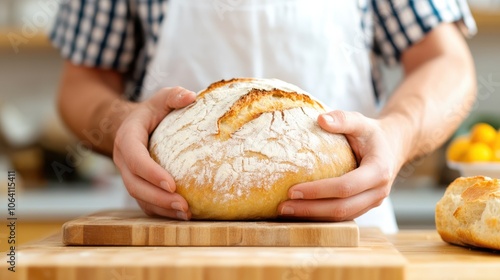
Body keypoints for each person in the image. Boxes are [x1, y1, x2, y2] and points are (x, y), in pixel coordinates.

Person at [50, 0, 477, 233]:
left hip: (346, 239)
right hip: (167, 235)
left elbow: (446, 61)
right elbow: (82, 82)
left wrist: (398, 134)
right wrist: (124, 121)